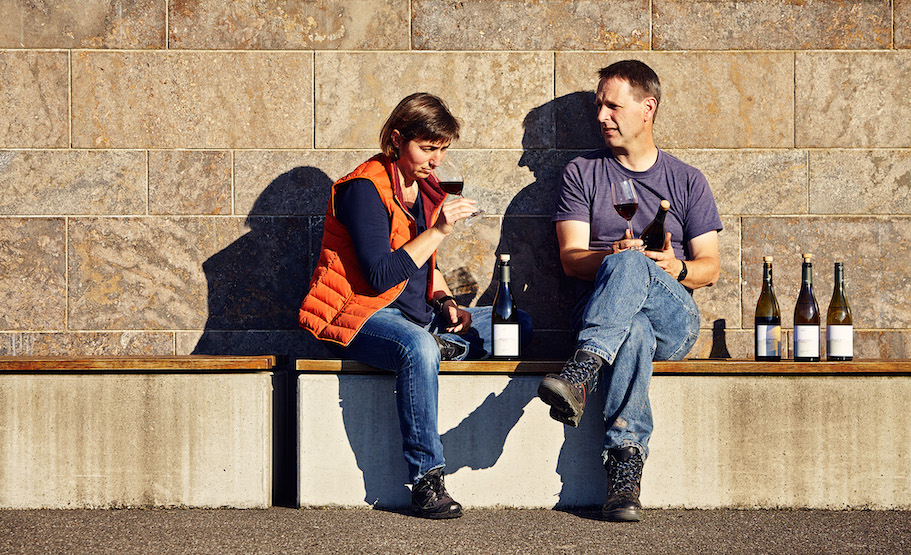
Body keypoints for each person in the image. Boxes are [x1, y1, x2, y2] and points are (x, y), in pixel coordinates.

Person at [299, 92, 532, 519]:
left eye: (442, 149)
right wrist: (441, 229)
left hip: (415, 313)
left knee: (518, 325)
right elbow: (379, 275)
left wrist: (445, 301)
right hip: (358, 314)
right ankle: (427, 480)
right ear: (396, 138)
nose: (436, 160)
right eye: (428, 148)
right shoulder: (362, 189)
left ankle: (445, 343)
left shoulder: (422, 188)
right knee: (418, 348)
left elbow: (424, 264)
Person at [537, 60, 722, 522]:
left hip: (673, 320)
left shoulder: (686, 180)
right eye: (599, 105)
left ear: (647, 108)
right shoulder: (582, 173)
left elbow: (711, 268)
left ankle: (582, 371)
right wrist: (615, 258)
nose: (602, 116)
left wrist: (675, 267)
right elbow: (571, 258)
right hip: (611, 318)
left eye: (612, 106)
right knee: (632, 327)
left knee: (638, 281)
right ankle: (625, 470)